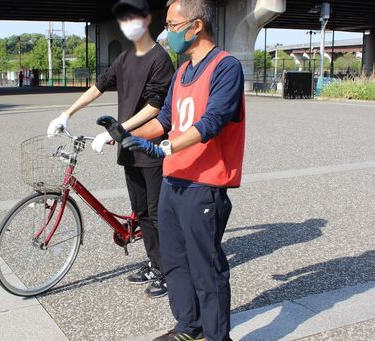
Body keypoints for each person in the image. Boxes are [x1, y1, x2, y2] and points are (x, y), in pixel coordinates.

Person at [120, 0, 245, 339]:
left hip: (204, 184)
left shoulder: (225, 66)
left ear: (196, 26)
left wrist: (164, 147)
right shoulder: (182, 71)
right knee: (175, 261)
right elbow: (165, 121)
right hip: (173, 180)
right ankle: (188, 328)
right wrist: (124, 134)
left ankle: (217, 336)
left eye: (173, 26)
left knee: (206, 268)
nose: (167, 34)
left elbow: (212, 122)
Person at [46, 0, 174, 298]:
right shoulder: (126, 58)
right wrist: (67, 113)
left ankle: (167, 271)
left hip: (151, 147)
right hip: (129, 149)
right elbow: (98, 86)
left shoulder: (160, 59)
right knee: (140, 211)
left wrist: (120, 130)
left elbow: (155, 107)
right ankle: (155, 263)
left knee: (156, 214)